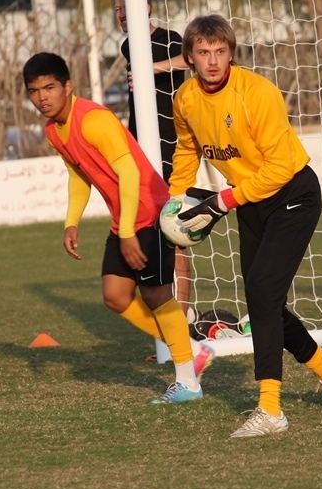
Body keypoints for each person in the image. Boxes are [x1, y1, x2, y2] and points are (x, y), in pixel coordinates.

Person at [168, 14, 322, 438]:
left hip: (293, 194)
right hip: (249, 201)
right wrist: (177, 200)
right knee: (264, 300)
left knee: (262, 291)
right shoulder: (186, 99)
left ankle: (271, 410)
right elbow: (187, 148)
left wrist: (222, 201)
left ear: (231, 53)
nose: (213, 61)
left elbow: (281, 168)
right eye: (203, 52)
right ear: (189, 57)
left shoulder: (257, 93)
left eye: (220, 51)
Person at [22, 52, 213, 405]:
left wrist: (126, 233)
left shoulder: (94, 120)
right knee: (115, 296)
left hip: (149, 213)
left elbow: (129, 172)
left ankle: (188, 380)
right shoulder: (53, 130)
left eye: (49, 87)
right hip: (125, 218)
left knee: (156, 295)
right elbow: (78, 175)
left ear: (68, 86)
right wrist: (71, 221)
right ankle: (193, 350)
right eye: (34, 91)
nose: (42, 97)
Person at [114, 0, 194, 321]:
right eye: (117, 9)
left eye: (126, 7)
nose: (121, 15)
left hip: (170, 148)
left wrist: (151, 69)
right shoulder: (128, 46)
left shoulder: (169, 39)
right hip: (141, 153)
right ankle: (168, 317)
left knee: (175, 233)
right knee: (149, 235)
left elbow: (189, 58)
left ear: (147, 7)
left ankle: (184, 317)